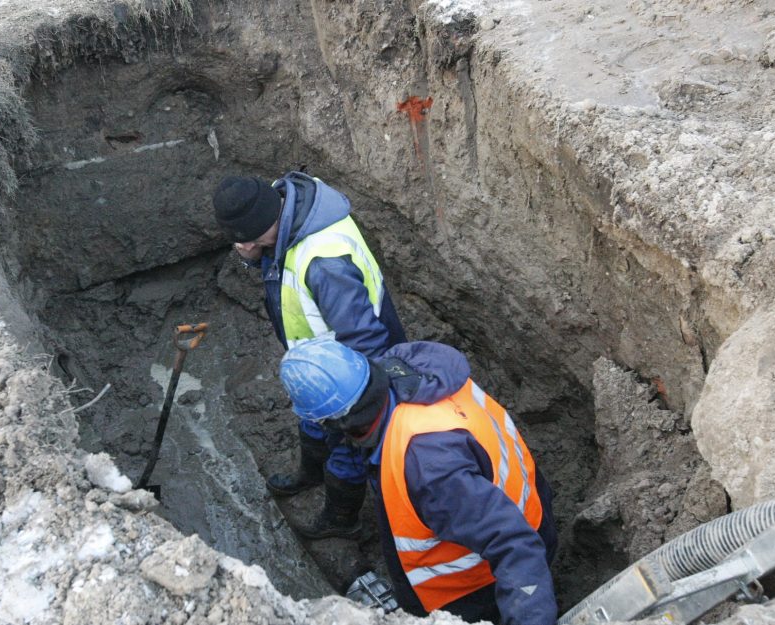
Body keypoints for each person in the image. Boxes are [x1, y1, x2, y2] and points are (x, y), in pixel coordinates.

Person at [278, 337, 558, 625]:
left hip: (477, 582)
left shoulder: (427, 468)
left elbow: (514, 545)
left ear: (340, 422)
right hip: (532, 509)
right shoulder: (414, 369)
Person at [212, 171, 407, 539]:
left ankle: (341, 520)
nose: (240, 247)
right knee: (311, 422)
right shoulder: (282, 206)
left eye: (244, 240)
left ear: (260, 227)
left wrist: (360, 408)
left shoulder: (324, 264)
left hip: (350, 375)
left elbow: (365, 339)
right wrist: (254, 252)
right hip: (317, 360)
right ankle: (310, 473)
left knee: (348, 453)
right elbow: (276, 260)